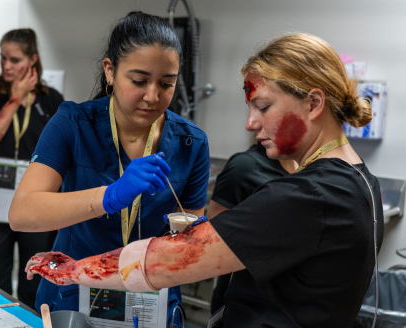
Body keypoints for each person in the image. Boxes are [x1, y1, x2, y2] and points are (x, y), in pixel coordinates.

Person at [25, 33, 385, 328]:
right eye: (138, 80)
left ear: (314, 103)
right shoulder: (361, 182)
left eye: (263, 107)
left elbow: (164, 261)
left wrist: (71, 267)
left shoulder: (309, 194)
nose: (250, 123)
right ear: (110, 72)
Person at [9, 11, 210, 325]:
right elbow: (22, 212)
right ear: (110, 71)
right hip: (76, 290)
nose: (153, 96)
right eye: (139, 81)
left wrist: (196, 235)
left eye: (167, 83)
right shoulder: (73, 124)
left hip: (149, 296)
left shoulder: (191, 143)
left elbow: (190, 234)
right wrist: (110, 196)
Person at [0, 28, 64, 308]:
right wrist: (15, 98)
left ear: (33, 60)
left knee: (34, 280)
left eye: (15, 60)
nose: (6, 66)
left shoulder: (52, 100)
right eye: (3, 58)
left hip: (36, 202)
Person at [207, 141, 298, 314]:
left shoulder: (307, 168)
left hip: (287, 302)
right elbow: (212, 241)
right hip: (246, 304)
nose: (251, 124)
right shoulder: (244, 167)